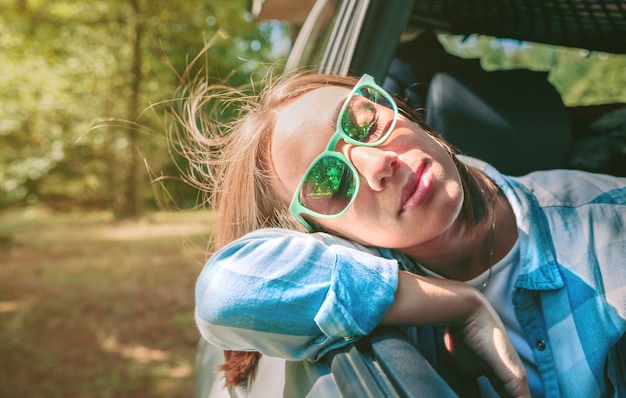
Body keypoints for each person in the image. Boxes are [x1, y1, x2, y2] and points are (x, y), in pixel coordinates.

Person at [179, 72, 626, 397]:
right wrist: (461, 304)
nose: (377, 164)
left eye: (363, 120)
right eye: (330, 183)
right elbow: (224, 291)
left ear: (400, 110)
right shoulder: (354, 262)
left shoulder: (610, 219)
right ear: (323, 234)